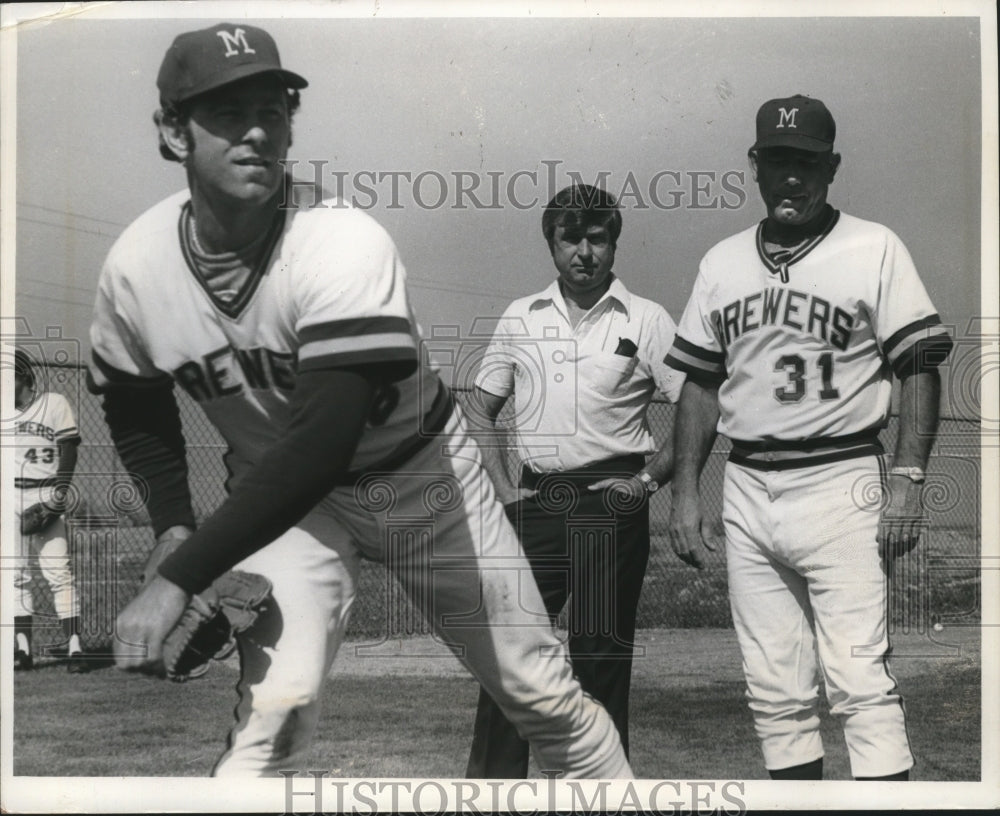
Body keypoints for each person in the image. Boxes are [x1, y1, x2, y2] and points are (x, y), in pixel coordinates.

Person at [89, 22, 631, 779]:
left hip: (426, 480)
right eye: (224, 112)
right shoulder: (135, 269)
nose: (256, 132)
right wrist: (172, 526)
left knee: (541, 698)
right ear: (171, 132)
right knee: (273, 721)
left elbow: (320, 444)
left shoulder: (340, 240)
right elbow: (132, 397)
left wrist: (178, 579)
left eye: (274, 110)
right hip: (292, 507)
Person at [664, 95, 953, 781]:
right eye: (778, 161)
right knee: (773, 691)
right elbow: (700, 387)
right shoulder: (722, 261)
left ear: (832, 167)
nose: (792, 178)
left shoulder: (873, 245)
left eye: (807, 163)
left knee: (859, 679)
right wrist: (683, 495)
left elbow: (919, 366)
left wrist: (908, 480)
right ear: (755, 167)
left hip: (840, 477)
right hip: (747, 483)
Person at [465, 184, 684, 777]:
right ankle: (489, 794)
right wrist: (507, 491)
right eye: (571, 238)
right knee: (510, 659)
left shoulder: (646, 318)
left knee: (598, 662)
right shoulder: (521, 316)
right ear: (551, 244)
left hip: (612, 503)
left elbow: (698, 408)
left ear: (614, 243)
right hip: (534, 501)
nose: (584, 252)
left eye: (597, 237)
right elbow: (481, 408)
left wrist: (650, 481)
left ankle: (602, 795)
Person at [9, 348, 88, 673]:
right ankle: (23, 650)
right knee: (15, 576)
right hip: (10, 495)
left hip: (46, 492)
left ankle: (74, 648)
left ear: (24, 376)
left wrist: (60, 492)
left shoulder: (54, 403)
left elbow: (68, 449)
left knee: (59, 571)